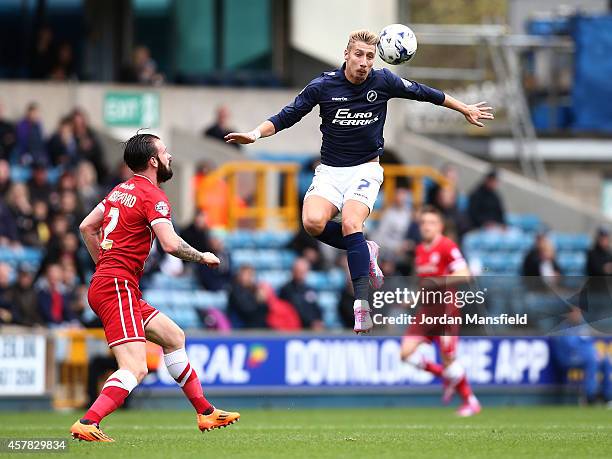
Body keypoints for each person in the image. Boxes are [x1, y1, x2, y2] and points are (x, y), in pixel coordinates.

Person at [225, 29, 494, 334]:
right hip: (330, 171)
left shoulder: (383, 81)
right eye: (359, 55)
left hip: (365, 170)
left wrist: (465, 109)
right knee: (312, 223)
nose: (365, 62)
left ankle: (362, 305)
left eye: (370, 56)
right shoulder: (323, 86)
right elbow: (288, 115)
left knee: (352, 223)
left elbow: (426, 93)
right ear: (346, 54)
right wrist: (255, 134)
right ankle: (367, 251)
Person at [69, 133, 239, 442]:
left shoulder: (119, 190)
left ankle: (205, 411)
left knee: (174, 336)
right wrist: (202, 256)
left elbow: (86, 226)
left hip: (115, 284)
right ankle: (88, 421)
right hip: (117, 285)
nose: (169, 156)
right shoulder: (153, 196)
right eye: (164, 151)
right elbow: (170, 244)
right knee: (135, 368)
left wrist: (103, 265)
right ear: (153, 161)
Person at [400, 206, 481, 417]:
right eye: (423, 223)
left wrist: (439, 281)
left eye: (431, 222)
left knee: (448, 359)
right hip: (426, 311)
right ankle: (447, 377)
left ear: (440, 226)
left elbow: (465, 274)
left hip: (446, 311)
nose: (426, 226)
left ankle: (471, 401)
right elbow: (423, 285)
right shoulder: (419, 250)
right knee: (406, 353)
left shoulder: (446, 246)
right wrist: (413, 298)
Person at [278, 258, 324, 331]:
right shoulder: (286, 290)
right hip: (294, 328)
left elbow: (316, 308)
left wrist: (317, 320)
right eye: (298, 271)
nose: (301, 274)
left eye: (303, 271)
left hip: (311, 328)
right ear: (293, 271)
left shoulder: (310, 289)